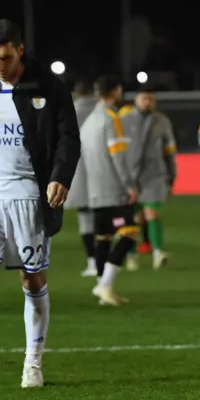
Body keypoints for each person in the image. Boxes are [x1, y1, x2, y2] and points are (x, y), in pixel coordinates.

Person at [0, 19, 80, 391]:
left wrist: (60, 176)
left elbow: (69, 136)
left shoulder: (48, 87)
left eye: (5, 58)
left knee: (32, 279)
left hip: (28, 196)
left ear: (19, 50)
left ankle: (32, 365)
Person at [81, 75, 139, 306]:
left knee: (103, 238)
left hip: (94, 189)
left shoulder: (89, 121)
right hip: (113, 189)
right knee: (129, 234)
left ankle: (104, 287)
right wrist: (128, 185)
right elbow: (117, 155)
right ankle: (104, 285)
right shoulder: (110, 118)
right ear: (114, 91)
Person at [120, 88, 176, 270]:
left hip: (154, 175)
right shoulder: (123, 120)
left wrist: (171, 176)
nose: (147, 102)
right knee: (132, 217)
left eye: (151, 99)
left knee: (152, 213)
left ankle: (158, 252)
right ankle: (131, 255)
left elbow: (169, 151)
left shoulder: (162, 121)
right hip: (128, 176)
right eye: (144, 99)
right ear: (135, 100)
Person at [65, 78, 99, 277]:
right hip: (103, 170)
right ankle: (117, 258)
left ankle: (92, 262)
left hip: (78, 170)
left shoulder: (70, 110)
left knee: (85, 218)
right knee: (107, 217)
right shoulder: (101, 110)